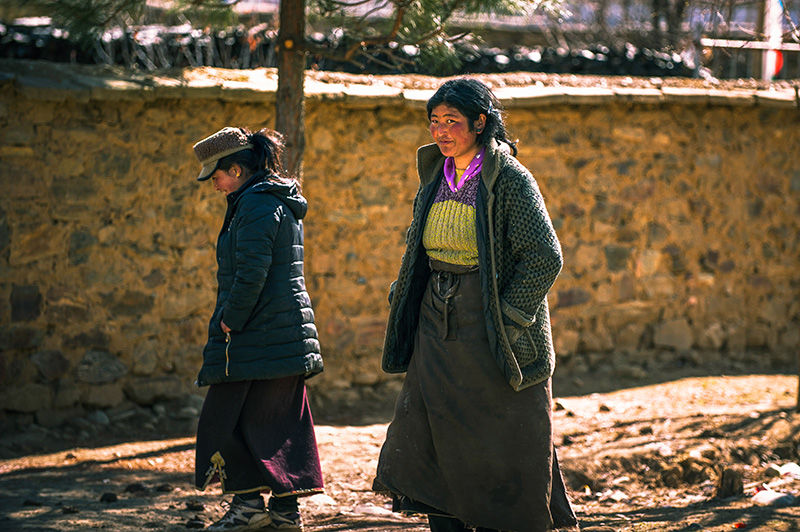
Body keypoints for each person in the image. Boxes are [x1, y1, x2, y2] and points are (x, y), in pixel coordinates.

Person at [374, 78, 580, 532]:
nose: (441, 131)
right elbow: (418, 245)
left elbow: (545, 257)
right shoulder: (434, 175)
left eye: (452, 121)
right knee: (430, 428)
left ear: (480, 123)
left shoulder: (508, 180)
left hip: (491, 324)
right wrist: (405, 291)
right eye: (435, 121)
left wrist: (508, 315)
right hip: (436, 320)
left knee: (498, 433)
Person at [192, 126, 324, 532]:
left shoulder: (256, 206)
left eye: (217, 176)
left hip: (255, 334)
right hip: (279, 335)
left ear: (237, 168)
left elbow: (251, 274)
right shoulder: (267, 201)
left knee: (225, 417)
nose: (214, 185)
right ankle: (284, 514)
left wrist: (231, 318)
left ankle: (249, 507)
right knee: (277, 421)